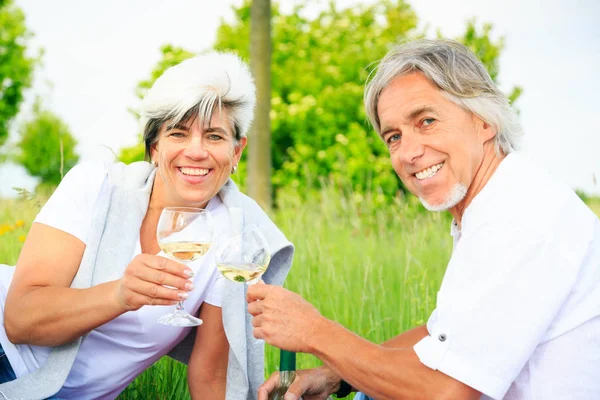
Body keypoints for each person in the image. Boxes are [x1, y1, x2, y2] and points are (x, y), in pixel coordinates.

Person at [246, 39, 600, 400]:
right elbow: (444, 339)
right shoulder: (496, 204)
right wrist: (335, 374)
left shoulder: (520, 216)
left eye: (426, 121)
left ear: (484, 122)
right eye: (394, 137)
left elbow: (445, 391)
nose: (410, 153)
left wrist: (314, 332)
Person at [0, 51, 294, 399]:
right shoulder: (95, 186)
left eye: (214, 136)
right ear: (154, 147)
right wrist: (119, 295)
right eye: (179, 134)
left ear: (237, 152)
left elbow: (210, 377)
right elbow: (19, 321)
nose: (196, 151)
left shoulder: (234, 238)